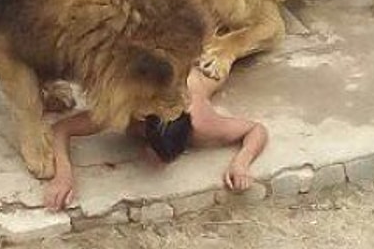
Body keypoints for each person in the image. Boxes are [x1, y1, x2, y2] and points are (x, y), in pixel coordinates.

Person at [44, 67, 268, 211]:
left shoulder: (202, 124)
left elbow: (256, 130)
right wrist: (63, 174)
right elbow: (60, 129)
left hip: (201, 72)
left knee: (219, 65)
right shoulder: (127, 113)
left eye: (165, 159)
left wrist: (241, 164)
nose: (159, 165)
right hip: (167, 67)